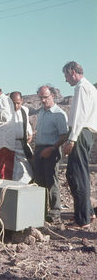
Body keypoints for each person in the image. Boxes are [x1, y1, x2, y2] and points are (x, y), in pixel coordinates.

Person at [63, 61, 97, 229]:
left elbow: (79, 116)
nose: (66, 80)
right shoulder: (90, 87)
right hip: (84, 134)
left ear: (73, 72)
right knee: (76, 174)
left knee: (77, 175)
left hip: (80, 133)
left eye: (66, 76)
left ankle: (83, 219)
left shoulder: (82, 87)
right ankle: (87, 212)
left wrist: (72, 139)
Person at [33, 86, 68, 224]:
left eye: (45, 97)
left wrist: (52, 148)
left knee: (52, 181)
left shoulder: (59, 114)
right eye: (40, 97)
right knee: (39, 181)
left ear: (52, 95)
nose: (43, 100)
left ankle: (55, 213)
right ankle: (40, 211)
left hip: (52, 150)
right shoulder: (41, 112)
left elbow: (64, 135)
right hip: (39, 149)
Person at [10, 91, 33, 183]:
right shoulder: (6, 112)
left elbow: (26, 123)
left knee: (28, 170)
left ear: (22, 101)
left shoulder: (24, 110)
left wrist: (30, 133)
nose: (16, 106)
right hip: (11, 145)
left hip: (23, 145)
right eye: (13, 103)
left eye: (18, 103)